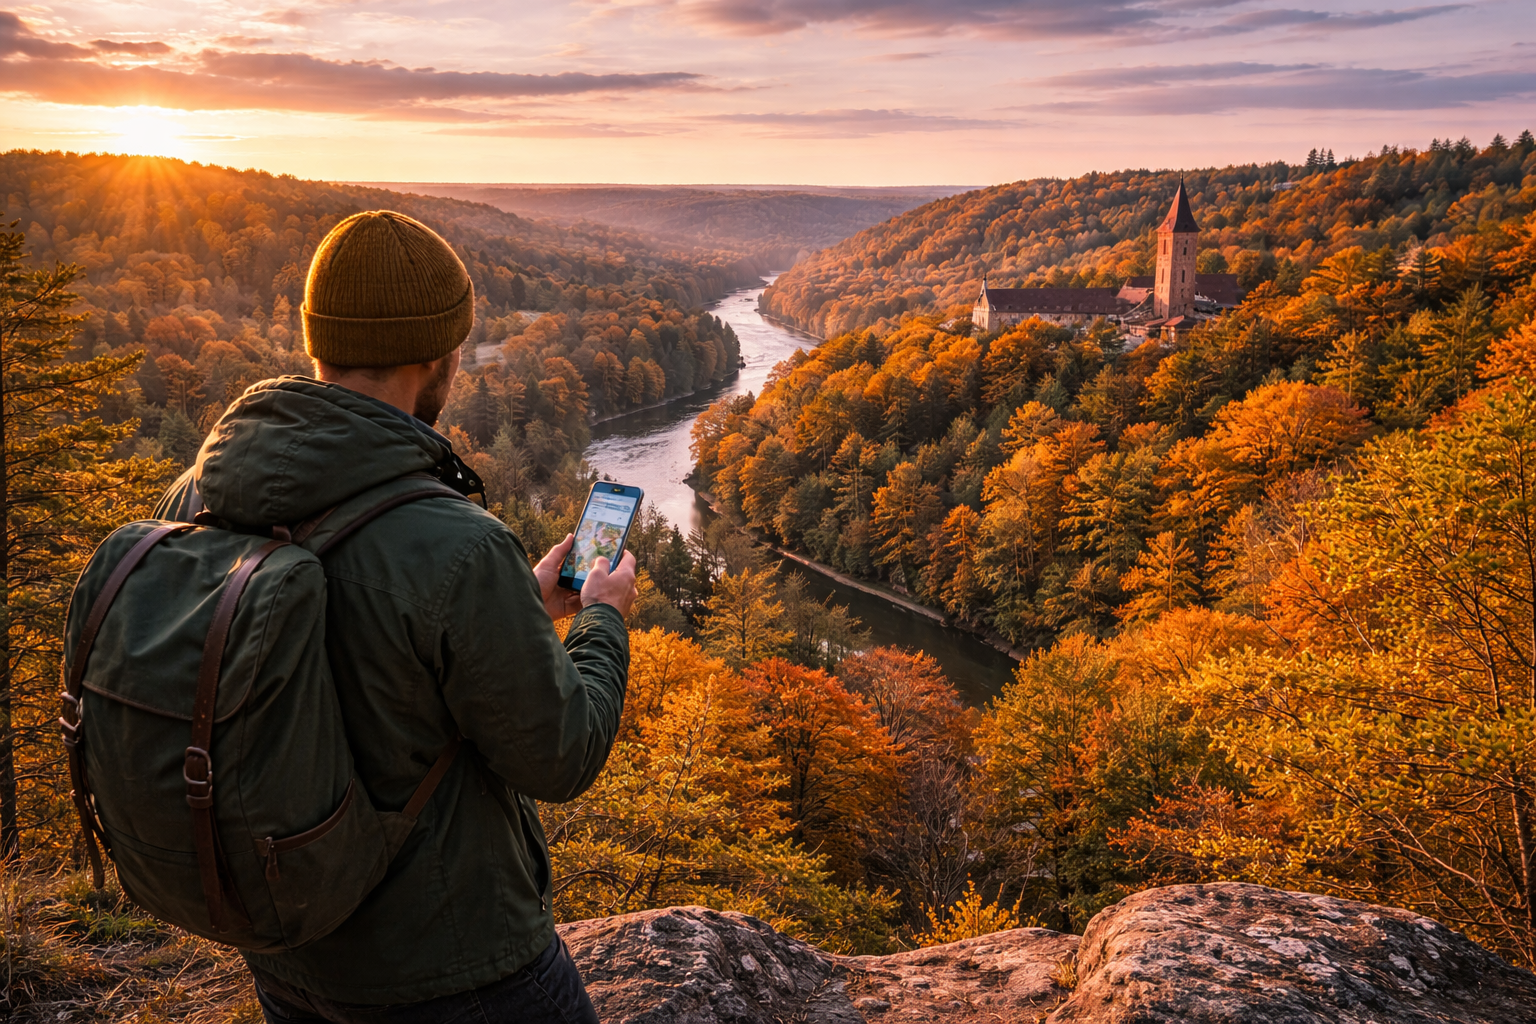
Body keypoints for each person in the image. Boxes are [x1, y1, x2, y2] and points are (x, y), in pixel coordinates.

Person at [154, 210, 635, 1023]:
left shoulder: (196, 496)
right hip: (460, 967)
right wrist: (601, 620)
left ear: (319, 342)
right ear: (438, 355)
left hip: (290, 947)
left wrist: (514, 604)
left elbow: (346, 653)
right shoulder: (454, 541)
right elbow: (563, 758)